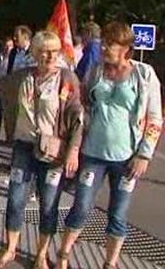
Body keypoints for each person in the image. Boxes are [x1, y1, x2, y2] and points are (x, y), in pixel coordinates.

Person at [57, 22, 162, 269]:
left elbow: (155, 118)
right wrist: (73, 145)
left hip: (127, 158)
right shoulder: (95, 70)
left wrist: (144, 155)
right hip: (93, 153)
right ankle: (62, 255)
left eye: (111, 44)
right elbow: (81, 106)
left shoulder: (144, 75)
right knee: (81, 206)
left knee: (118, 213)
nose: (104, 47)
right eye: (104, 42)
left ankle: (110, 262)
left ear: (126, 48)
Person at [0, 31, 84, 269]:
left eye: (53, 51)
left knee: (49, 203)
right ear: (34, 53)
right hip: (23, 147)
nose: (48, 56)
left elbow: (78, 118)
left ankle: (41, 254)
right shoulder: (22, 77)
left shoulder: (67, 79)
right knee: (16, 198)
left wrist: (73, 150)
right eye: (43, 50)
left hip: (53, 152)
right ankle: (10, 248)